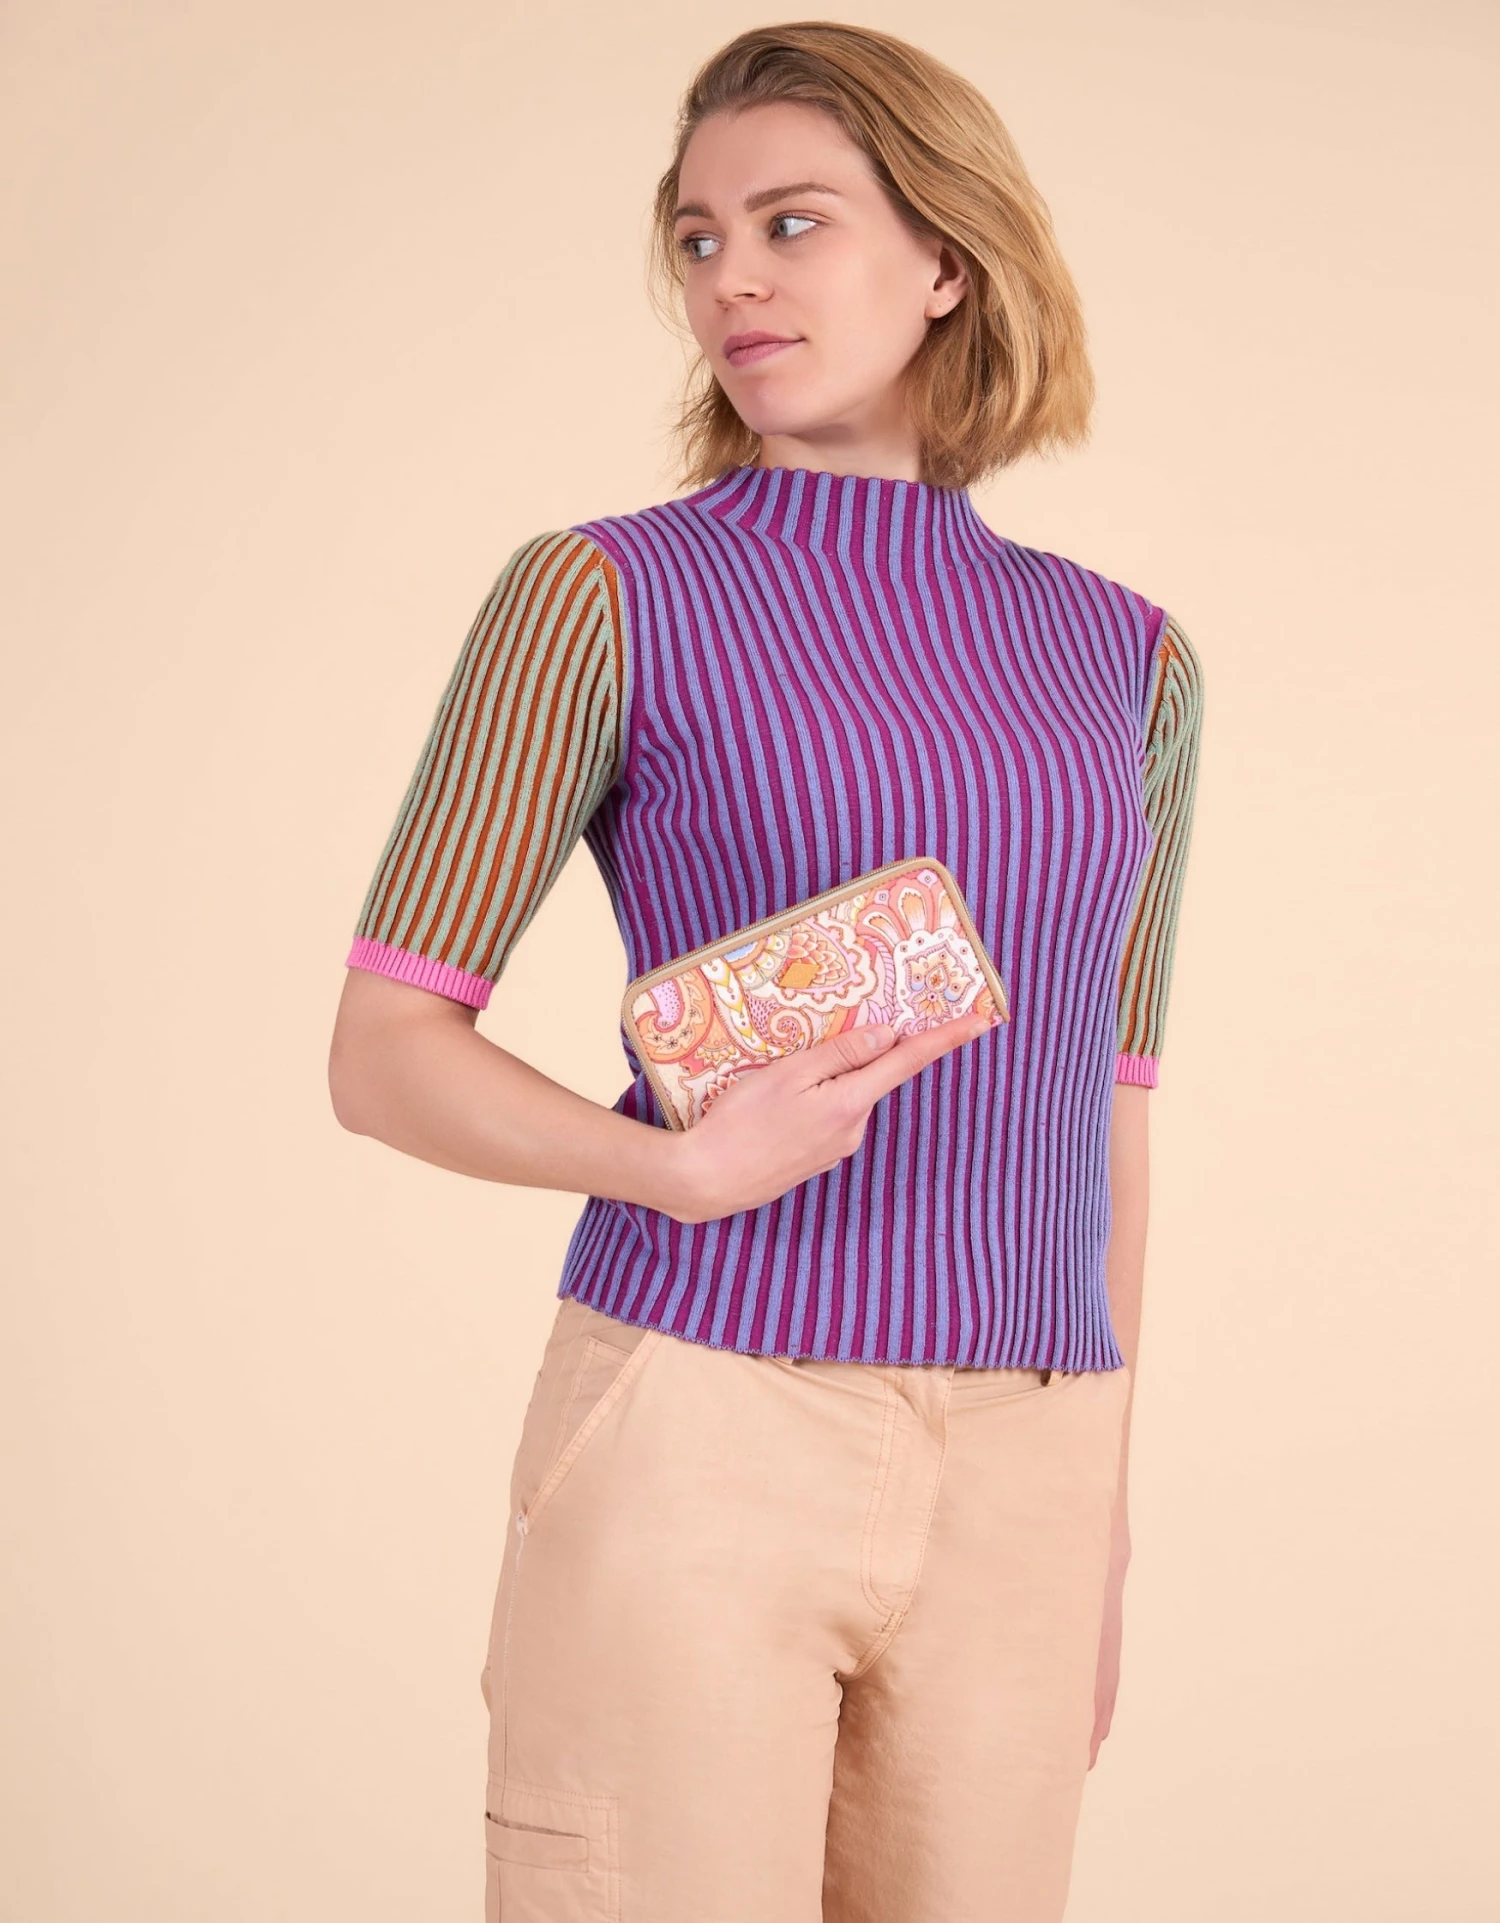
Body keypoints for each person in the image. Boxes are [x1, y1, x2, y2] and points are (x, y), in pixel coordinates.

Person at [328, 21, 1204, 1923]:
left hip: (1029, 1457)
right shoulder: (602, 594)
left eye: (792, 224)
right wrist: (673, 1164)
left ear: (946, 257)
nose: (734, 278)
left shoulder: (1132, 661)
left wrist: (1104, 1517)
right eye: (701, 238)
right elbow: (383, 1046)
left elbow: (1107, 1108)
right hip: (704, 1417)